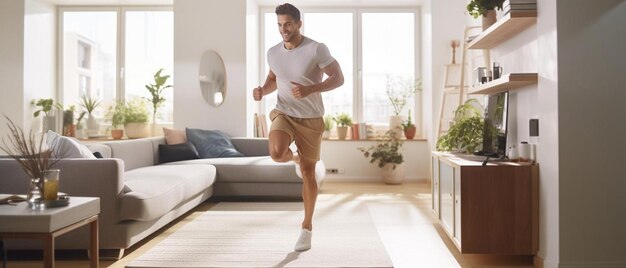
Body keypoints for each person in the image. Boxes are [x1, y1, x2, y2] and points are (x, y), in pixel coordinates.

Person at [252, 3, 344, 251]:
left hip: (311, 118)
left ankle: (306, 227)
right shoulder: (273, 53)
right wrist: (262, 90)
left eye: (288, 24)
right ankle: (292, 156)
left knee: (308, 174)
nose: (283, 29)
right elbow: (273, 79)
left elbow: (338, 77)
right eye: (280, 25)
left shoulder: (316, 48)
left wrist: (311, 88)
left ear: (299, 23)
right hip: (284, 112)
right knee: (276, 153)